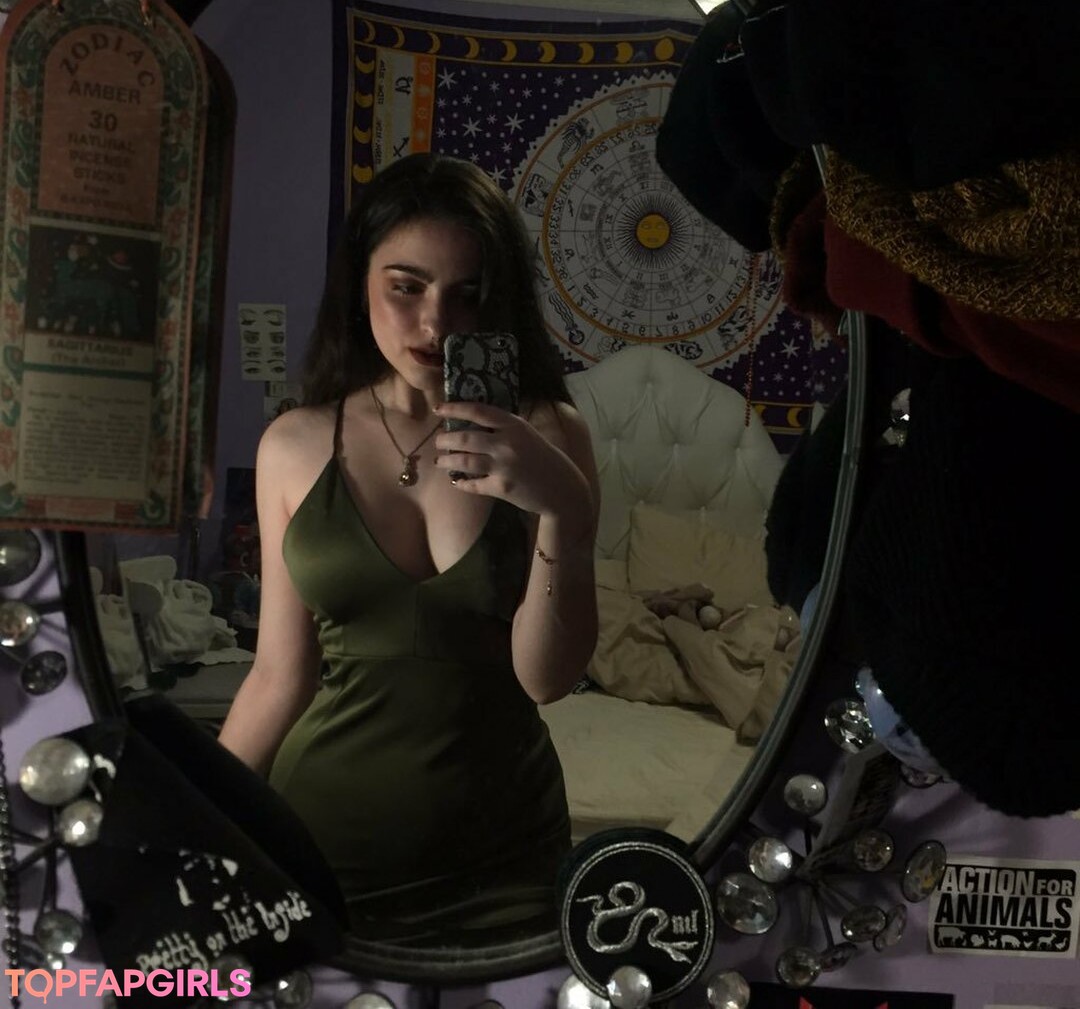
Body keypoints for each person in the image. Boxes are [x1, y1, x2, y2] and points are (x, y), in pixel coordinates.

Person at [217, 153, 599, 946]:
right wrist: (199, 824)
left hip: (506, 859)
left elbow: (548, 678)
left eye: (467, 293)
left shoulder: (549, 436)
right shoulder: (294, 443)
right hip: (323, 845)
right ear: (360, 283)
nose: (435, 323)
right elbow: (280, 676)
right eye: (406, 286)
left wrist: (564, 507)